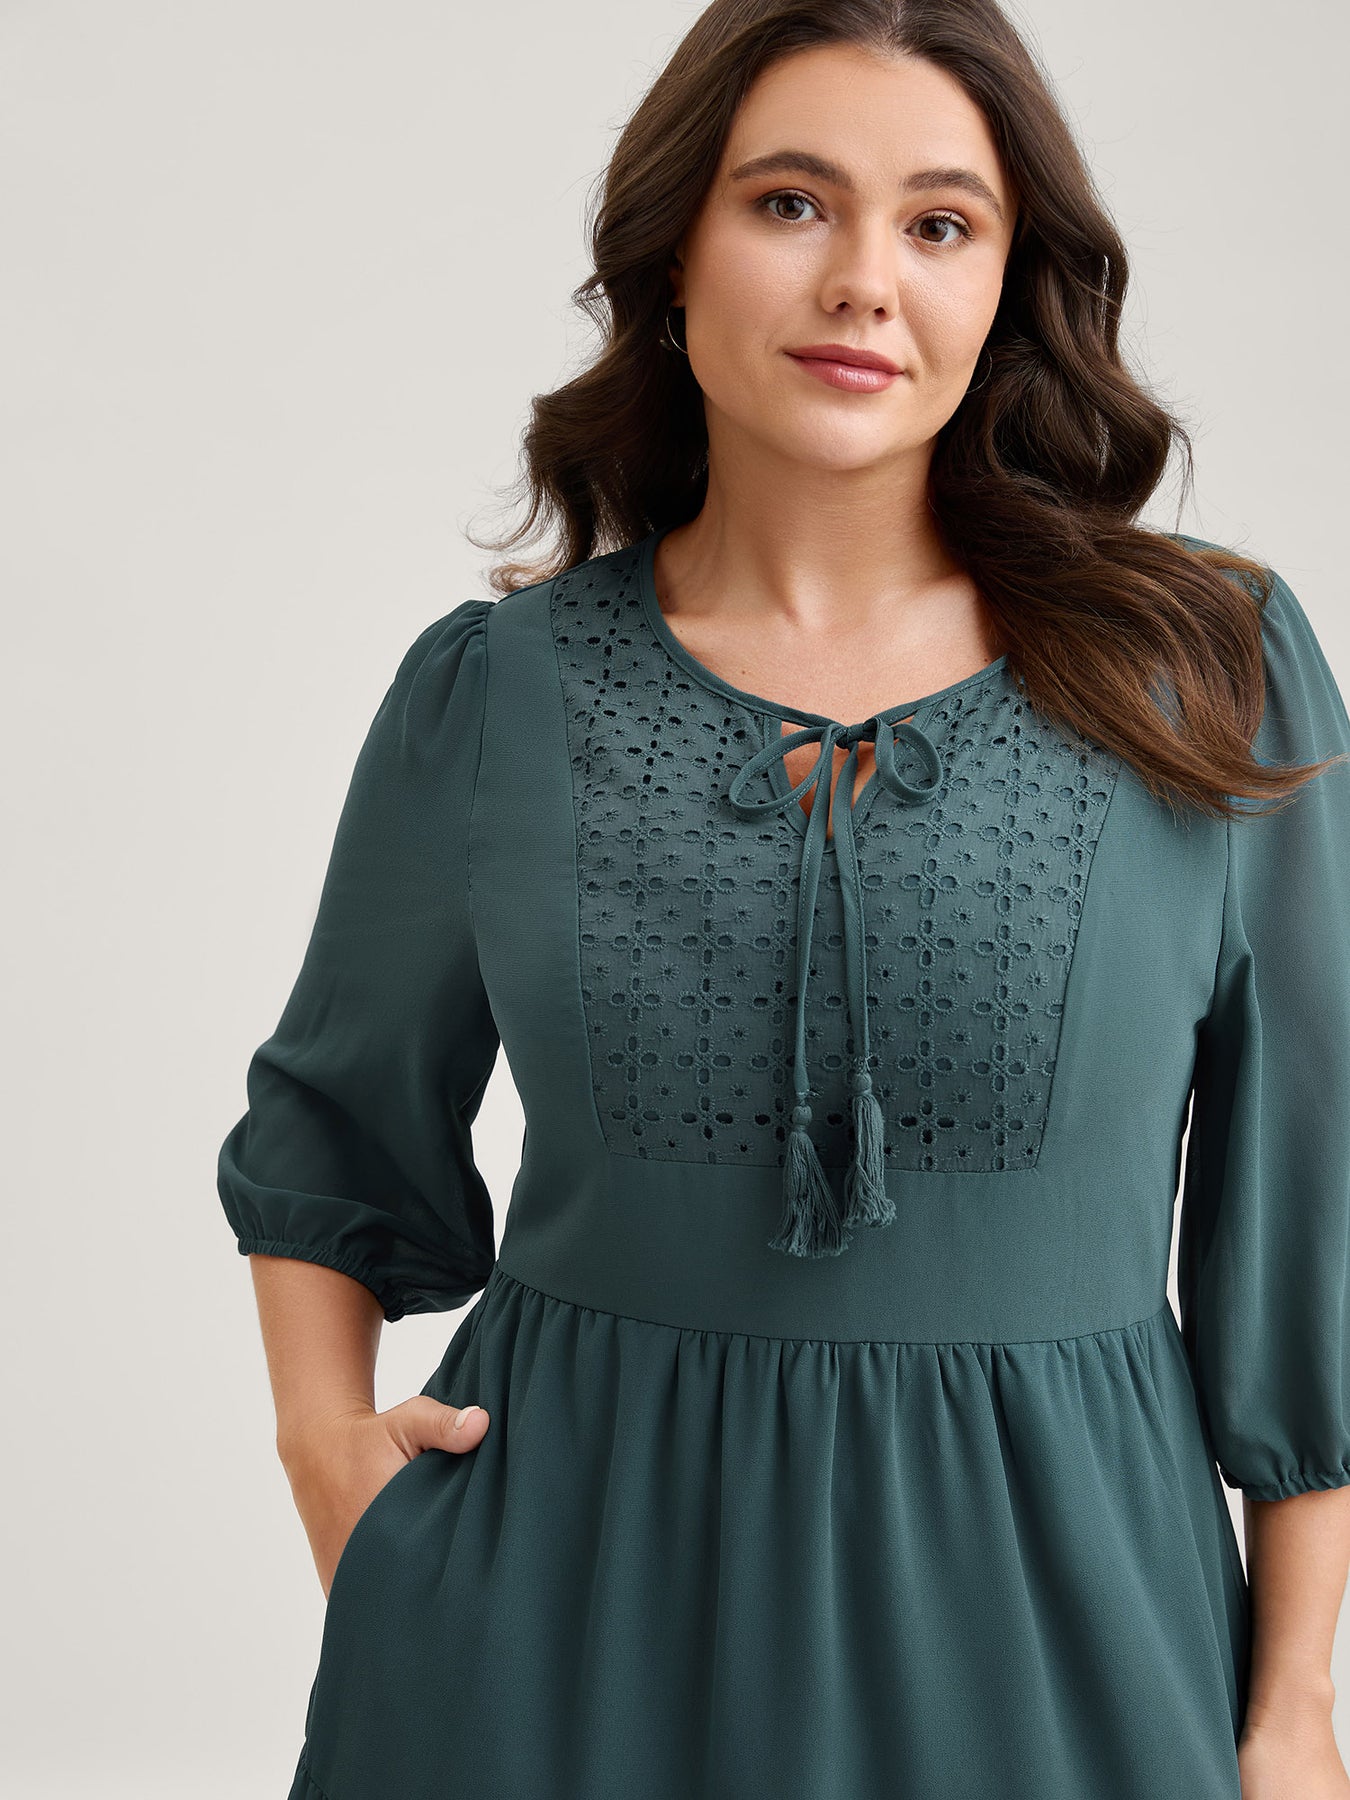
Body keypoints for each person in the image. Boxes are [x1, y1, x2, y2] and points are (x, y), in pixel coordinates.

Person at [215, 3, 1350, 1796]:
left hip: (1065, 1643)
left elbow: (1310, 1202)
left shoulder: (1208, 669)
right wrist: (324, 1457)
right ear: (675, 251)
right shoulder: (497, 692)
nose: (862, 283)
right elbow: (329, 1129)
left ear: (1005, 285)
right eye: (790, 203)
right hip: (558, 1639)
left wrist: (1293, 1708)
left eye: (939, 223)